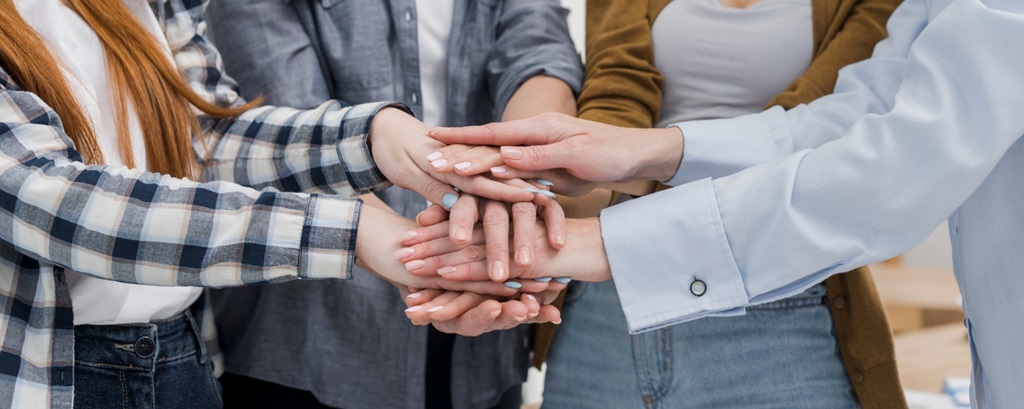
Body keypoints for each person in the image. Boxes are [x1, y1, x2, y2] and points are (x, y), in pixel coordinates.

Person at [408, 0, 1024, 407]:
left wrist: (606, 235)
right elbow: (847, 116)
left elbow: (881, 163)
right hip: (608, 305)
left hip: (784, 300)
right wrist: (635, 154)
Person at [0, 0, 561, 407]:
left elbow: (206, 138)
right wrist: (355, 230)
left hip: (181, 355)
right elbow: (51, 200)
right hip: (52, 373)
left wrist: (375, 138)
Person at [203, 0, 583, 408]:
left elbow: (541, 55)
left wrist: (508, 181)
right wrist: (432, 254)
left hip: (486, 322)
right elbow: (287, 129)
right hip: (313, 326)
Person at [533, 0, 904, 407]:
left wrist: (628, 175)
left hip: (778, 296)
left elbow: (825, 131)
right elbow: (615, 102)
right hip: (607, 303)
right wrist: (547, 192)